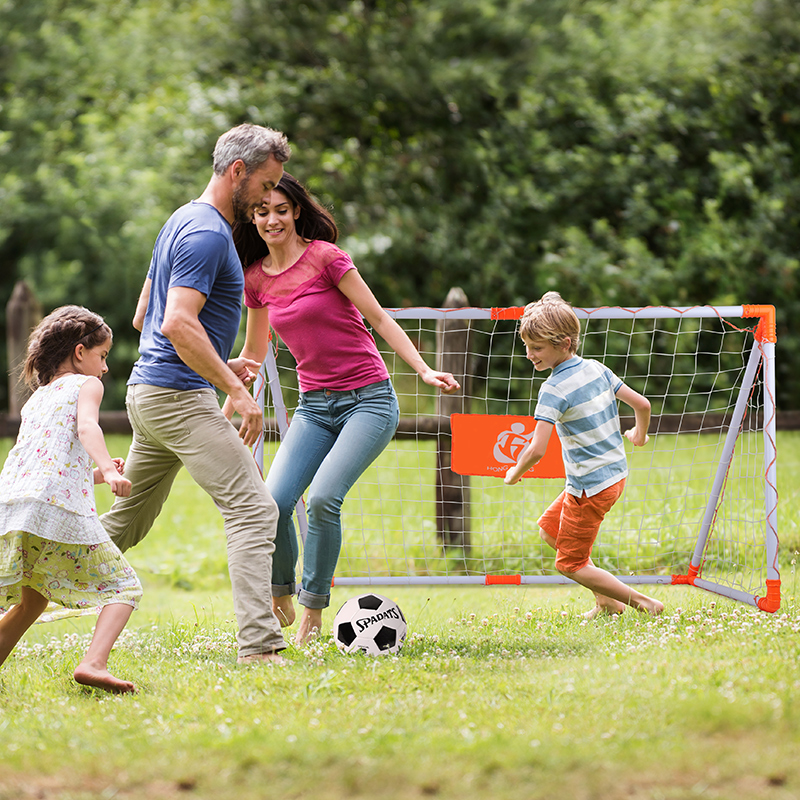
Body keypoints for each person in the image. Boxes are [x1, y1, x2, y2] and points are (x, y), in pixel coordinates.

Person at [226, 172, 461, 644]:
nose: (272, 219)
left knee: (323, 498)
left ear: (295, 212)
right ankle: (281, 592)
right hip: (314, 407)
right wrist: (231, 379)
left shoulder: (326, 258)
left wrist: (422, 369)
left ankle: (313, 610)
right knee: (272, 502)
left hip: (369, 401)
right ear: (252, 218)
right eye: (262, 211)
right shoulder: (256, 280)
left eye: (280, 210)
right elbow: (255, 350)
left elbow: (378, 317)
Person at [100, 123, 291, 664]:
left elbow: (146, 318)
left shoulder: (181, 219)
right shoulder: (208, 234)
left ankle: (18, 595)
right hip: (177, 399)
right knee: (254, 510)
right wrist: (234, 385)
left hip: (151, 392)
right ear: (238, 172)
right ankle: (260, 646)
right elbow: (177, 323)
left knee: (122, 524)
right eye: (266, 183)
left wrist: (217, 360)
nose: (268, 197)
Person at [0, 306, 143, 693]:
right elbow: (86, 427)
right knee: (125, 588)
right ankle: (94, 663)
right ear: (80, 353)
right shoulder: (86, 386)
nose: (105, 368)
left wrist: (95, 473)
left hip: (13, 504)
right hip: (55, 510)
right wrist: (111, 471)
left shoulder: (38, 398)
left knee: (33, 600)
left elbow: (45, 458)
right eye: (103, 356)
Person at [504, 292, 664, 618]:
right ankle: (607, 601)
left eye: (536, 348)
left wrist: (515, 472)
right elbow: (643, 405)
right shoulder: (596, 369)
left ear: (563, 343)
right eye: (527, 346)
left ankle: (644, 604)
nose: (529, 354)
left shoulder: (553, 389)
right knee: (551, 531)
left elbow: (536, 449)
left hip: (590, 487)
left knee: (569, 564)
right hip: (612, 476)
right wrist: (639, 434)